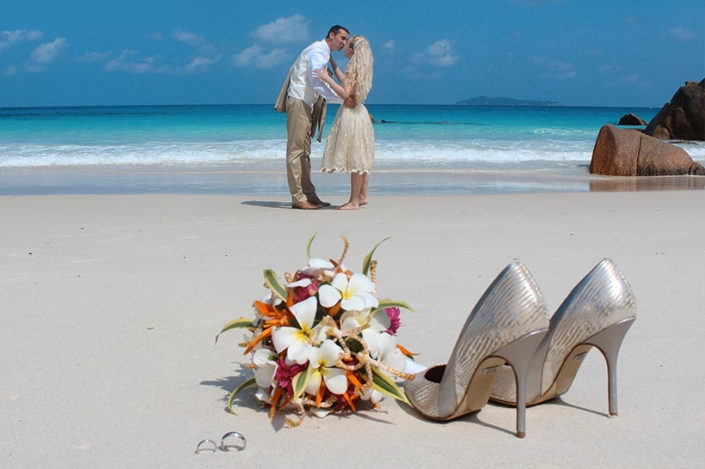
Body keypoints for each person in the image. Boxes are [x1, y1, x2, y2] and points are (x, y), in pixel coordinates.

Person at [275, 25, 356, 210]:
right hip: (299, 101)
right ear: (331, 35)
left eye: (346, 40)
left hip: (306, 103)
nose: (344, 43)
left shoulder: (323, 52)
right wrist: (341, 98)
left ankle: (309, 194)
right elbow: (317, 83)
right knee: (296, 151)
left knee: (305, 152)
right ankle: (298, 198)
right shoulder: (318, 51)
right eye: (342, 38)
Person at [314, 36, 374, 210]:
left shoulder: (354, 68)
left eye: (347, 45)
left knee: (356, 157)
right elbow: (345, 80)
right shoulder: (363, 68)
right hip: (361, 112)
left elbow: (345, 92)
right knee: (362, 156)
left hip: (352, 114)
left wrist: (326, 78)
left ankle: (354, 201)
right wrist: (332, 63)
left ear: (352, 50)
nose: (344, 46)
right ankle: (363, 196)